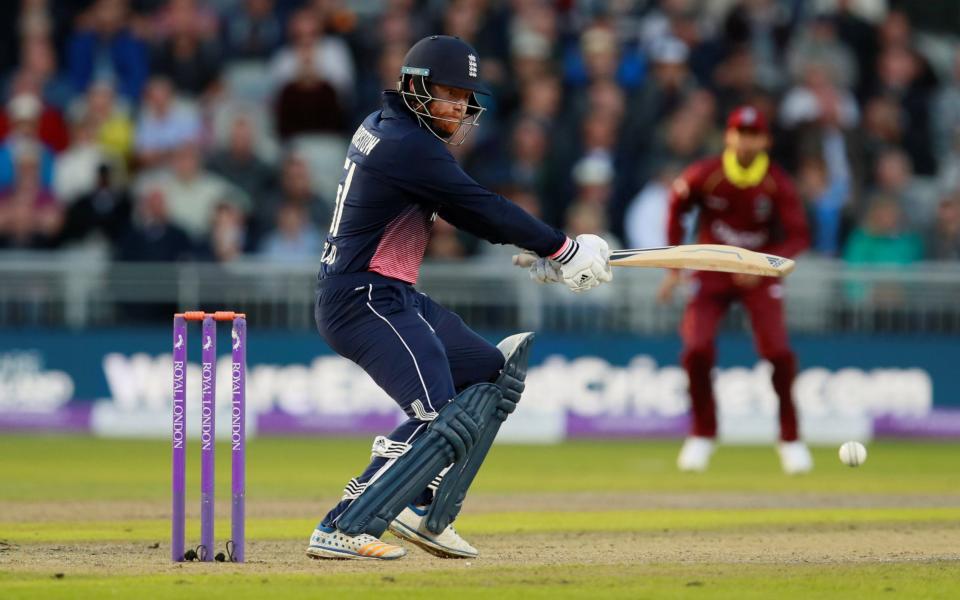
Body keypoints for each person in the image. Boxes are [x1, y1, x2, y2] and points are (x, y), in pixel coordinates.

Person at [307, 35, 613, 561]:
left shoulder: (392, 130)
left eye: (465, 96)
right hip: (363, 299)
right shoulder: (408, 145)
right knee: (437, 415)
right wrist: (562, 248)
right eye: (448, 93)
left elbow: (463, 210)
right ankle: (343, 524)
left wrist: (542, 252)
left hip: (391, 294)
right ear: (412, 86)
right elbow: (481, 207)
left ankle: (426, 509)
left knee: (490, 373)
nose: (459, 107)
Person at [657, 106, 812, 475]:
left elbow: (798, 236)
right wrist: (674, 266)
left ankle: (790, 438)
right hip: (713, 270)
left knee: (778, 353)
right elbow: (675, 207)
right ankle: (702, 434)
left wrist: (763, 266)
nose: (745, 141)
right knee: (696, 348)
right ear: (728, 136)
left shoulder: (777, 183)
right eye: (739, 133)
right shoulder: (706, 174)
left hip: (758, 274)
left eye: (753, 134)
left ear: (765, 140)